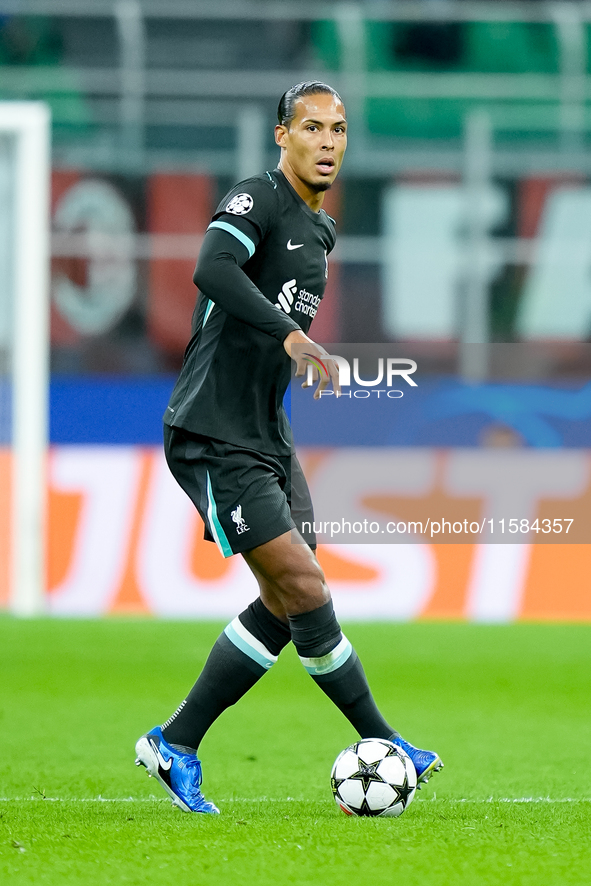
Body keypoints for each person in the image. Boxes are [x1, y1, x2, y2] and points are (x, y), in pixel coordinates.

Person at [134, 81, 442, 813]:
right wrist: (290, 333)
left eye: (338, 129)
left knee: (284, 600)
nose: (328, 141)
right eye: (311, 127)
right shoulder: (257, 199)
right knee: (305, 589)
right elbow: (211, 269)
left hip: (266, 434)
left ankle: (173, 742)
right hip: (211, 431)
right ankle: (387, 741)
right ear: (282, 136)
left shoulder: (321, 232)